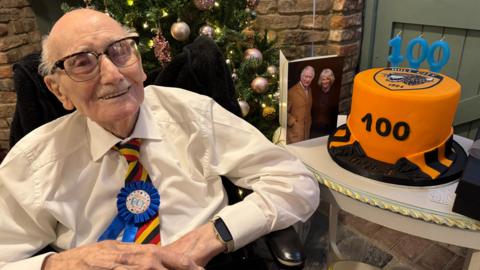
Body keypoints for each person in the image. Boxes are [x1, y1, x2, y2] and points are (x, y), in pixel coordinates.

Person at [0, 8, 319, 270]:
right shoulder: (34, 160)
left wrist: (213, 235)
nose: (112, 75)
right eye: (83, 62)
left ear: (138, 62)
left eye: (120, 50)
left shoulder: (193, 115)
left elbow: (296, 181)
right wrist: (61, 264)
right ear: (58, 89)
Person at [287, 66, 314, 144]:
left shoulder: (310, 90)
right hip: (294, 133)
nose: (308, 79)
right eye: (306, 76)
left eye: (310, 77)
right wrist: (293, 123)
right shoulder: (291, 92)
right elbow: (284, 111)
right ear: (301, 76)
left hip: (306, 131)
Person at [310, 68, 338, 138]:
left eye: (327, 79)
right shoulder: (315, 93)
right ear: (320, 80)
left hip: (329, 129)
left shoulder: (335, 94)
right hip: (315, 129)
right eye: (323, 79)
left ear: (331, 80)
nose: (325, 81)